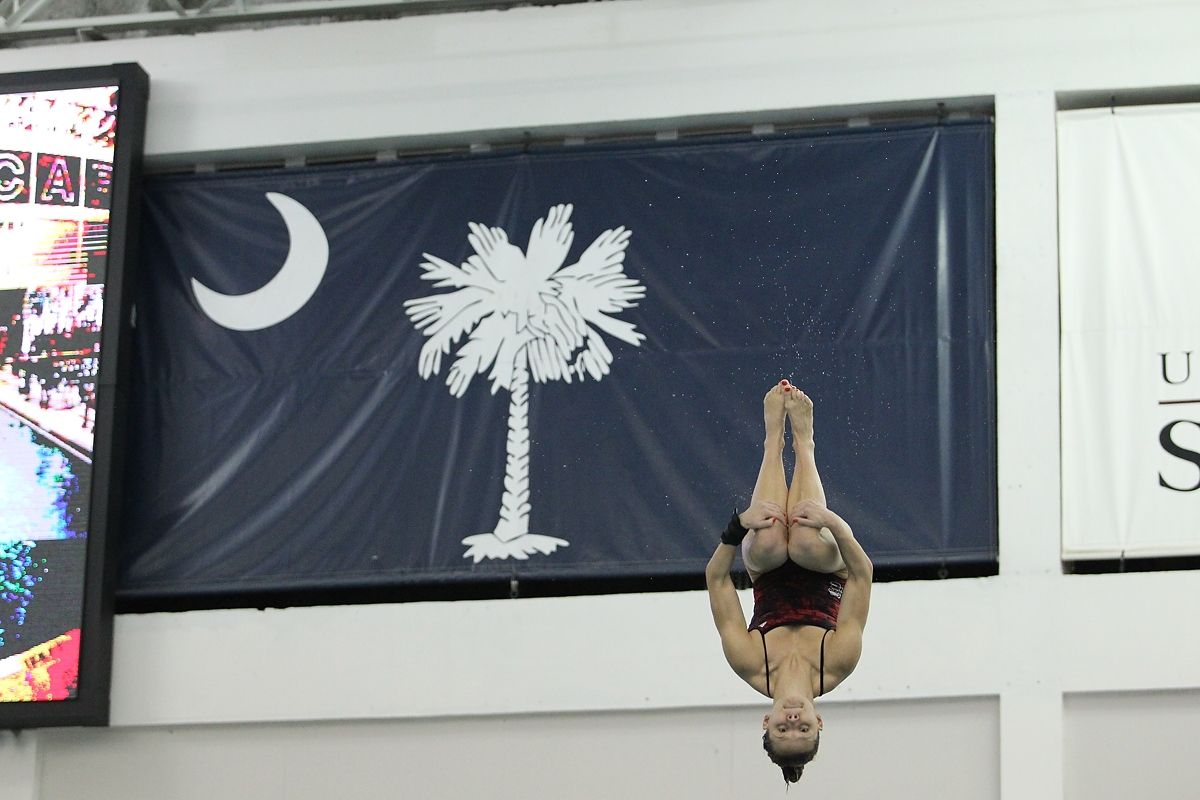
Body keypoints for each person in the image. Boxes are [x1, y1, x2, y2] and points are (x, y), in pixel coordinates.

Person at [705, 380, 873, 783]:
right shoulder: (838, 662)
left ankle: (771, 441)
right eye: (804, 728)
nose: (793, 720)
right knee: (802, 540)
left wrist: (737, 527)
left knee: (768, 539)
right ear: (820, 721)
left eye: (783, 729)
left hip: (766, 569)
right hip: (828, 566)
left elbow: (717, 581)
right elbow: (862, 575)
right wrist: (836, 524)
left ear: (767, 721)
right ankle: (804, 442)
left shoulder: (750, 663)